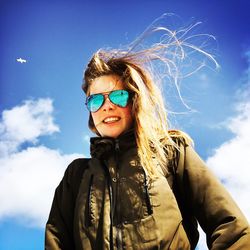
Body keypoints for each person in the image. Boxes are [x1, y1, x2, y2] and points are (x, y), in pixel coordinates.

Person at [45, 23, 250, 249]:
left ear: (134, 102)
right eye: (96, 100)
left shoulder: (172, 152)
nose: (107, 106)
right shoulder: (76, 176)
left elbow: (233, 229)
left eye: (118, 96)